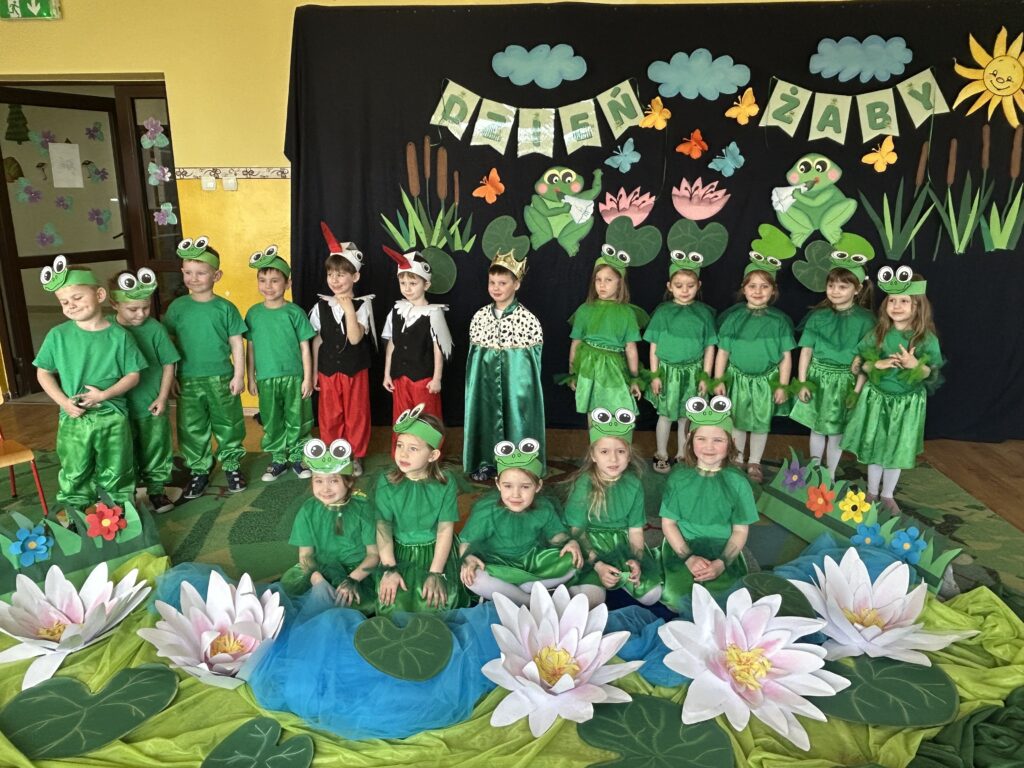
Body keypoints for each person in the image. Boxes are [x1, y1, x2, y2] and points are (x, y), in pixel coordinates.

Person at [34, 258, 145, 517]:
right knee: (75, 468)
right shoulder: (58, 336)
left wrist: (104, 395)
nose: (71, 305)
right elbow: (43, 373)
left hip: (112, 416)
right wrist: (64, 402)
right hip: (74, 416)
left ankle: (118, 513)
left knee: (117, 466)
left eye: (77, 298)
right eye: (64, 302)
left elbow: (133, 375)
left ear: (99, 295)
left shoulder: (120, 336)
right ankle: (76, 515)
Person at [842, 267, 943, 512]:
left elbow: (932, 372)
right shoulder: (878, 333)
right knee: (875, 446)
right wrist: (876, 364)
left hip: (906, 403)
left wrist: (914, 364)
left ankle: (887, 495)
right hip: (876, 399)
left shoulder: (926, 339)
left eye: (904, 301)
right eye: (892, 301)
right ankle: (872, 491)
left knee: (895, 448)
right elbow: (859, 364)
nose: (897, 306)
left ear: (917, 306)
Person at [163, 237, 248, 498]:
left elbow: (236, 343)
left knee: (228, 423)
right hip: (188, 378)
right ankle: (199, 469)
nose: (194, 278)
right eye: (188, 272)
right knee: (192, 427)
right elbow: (169, 345)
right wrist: (172, 376)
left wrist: (239, 375)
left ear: (216, 275)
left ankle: (231, 465)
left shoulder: (225, 308)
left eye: (200, 273)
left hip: (221, 377)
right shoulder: (177, 308)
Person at [463, 216, 545, 483]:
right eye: (492, 283)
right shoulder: (479, 317)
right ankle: (485, 461)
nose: (496, 288)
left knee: (516, 418)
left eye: (503, 283)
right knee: (485, 416)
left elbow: (532, 366)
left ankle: (519, 463)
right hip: (485, 383)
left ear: (516, 284)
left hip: (515, 386)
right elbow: (474, 360)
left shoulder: (528, 320)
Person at [659, 395, 758, 610]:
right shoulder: (678, 478)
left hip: (723, 548)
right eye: (701, 439)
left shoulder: (738, 483)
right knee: (677, 599)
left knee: (728, 602)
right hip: (683, 546)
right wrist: (688, 558)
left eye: (718, 440)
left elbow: (740, 530)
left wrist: (722, 563)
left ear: (731, 442)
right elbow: (669, 524)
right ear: (690, 440)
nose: (709, 447)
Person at [459, 438, 581, 606]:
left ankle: (513, 592)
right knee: (473, 578)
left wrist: (570, 542)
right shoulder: (487, 510)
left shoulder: (543, 507)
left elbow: (555, 536)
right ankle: (528, 600)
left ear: (538, 486)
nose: (516, 494)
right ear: (498, 484)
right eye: (508, 486)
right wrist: (469, 558)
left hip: (531, 560)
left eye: (525, 487)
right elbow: (466, 542)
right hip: (496, 563)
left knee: (573, 561)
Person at [374, 405, 470, 613]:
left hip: (435, 549)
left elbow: (445, 529)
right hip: (397, 550)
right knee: (394, 603)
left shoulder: (446, 483)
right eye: (400, 445)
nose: (403, 454)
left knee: (438, 602)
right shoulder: (386, 481)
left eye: (413, 448)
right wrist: (389, 568)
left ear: (432, 455)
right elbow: (383, 527)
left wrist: (436, 573)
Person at [564, 407, 662, 608]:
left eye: (620, 451)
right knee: (592, 601)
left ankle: (618, 578)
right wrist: (597, 565)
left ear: (629, 455)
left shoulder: (633, 483)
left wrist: (636, 559)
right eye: (604, 452)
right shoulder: (584, 483)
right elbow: (576, 531)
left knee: (652, 595)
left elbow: (635, 530)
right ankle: (592, 580)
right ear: (593, 455)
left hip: (620, 543)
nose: (613, 459)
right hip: (588, 544)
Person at [790, 251, 875, 481]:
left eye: (842, 287)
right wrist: (803, 381)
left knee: (837, 429)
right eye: (831, 285)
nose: (835, 291)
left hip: (845, 380)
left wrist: (857, 391)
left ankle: (829, 473)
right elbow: (806, 350)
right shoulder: (818, 317)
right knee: (817, 426)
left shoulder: (866, 320)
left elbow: (867, 358)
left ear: (857, 289)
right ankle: (815, 468)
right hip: (818, 378)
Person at [713, 248, 796, 483]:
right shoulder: (733, 319)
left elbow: (786, 356)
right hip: (737, 379)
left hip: (765, 382)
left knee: (760, 423)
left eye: (764, 286)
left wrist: (782, 385)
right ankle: (737, 458)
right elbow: (723, 352)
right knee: (737, 421)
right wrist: (718, 380)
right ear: (744, 289)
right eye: (752, 286)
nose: (758, 291)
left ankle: (755, 462)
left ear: (773, 290)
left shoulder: (779, 322)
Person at [563, 221, 661, 416]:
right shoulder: (585, 309)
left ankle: (614, 435)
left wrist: (634, 378)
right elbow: (576, 343)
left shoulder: (626, 313)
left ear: (619, 283)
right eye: (598, 280)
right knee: (592, 409)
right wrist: (572, 372)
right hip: (588, 366)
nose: (602, 285)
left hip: (615, 366)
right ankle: (594, 437)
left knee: (617, 408)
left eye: (608, 280)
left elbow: (630, 349)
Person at [645, 241, 720, 474]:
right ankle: (661, 453)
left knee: (686, 416)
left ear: (698, 285)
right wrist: (655, 374)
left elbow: (710, 347)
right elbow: (654, 345)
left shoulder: (704, 314)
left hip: (693, 372)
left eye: (690, 285)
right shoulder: (662, 312)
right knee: (665, 415)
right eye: (679, 286)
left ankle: (681, 453)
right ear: (670, 286)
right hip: (667, 372)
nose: (684, 290)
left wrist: (705, 376)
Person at [109, 268, 180, 514]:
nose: (141, 314)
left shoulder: (155, 329)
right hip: (118, 406)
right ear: (114, 304)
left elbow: (169, 363)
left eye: (146, 308)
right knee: (121, 452)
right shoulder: (106, 329)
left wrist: (163, 396)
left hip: (150, 402)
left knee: (155, 448)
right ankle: (124, 497)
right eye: (133, 309)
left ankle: (157, 491)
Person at [280, 438, 378, 612]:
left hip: (358, 572)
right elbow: (305, 555)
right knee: (298, 595)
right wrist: (316, 577)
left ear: (349, 481)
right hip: (321, 568)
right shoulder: (308, 510)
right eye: (318, 481)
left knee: (355, 603)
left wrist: (353, 579)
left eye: (333, 481)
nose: (325, 488)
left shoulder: (364, 509)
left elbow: (374, 555)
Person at [244, 246, 316, 481]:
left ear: (287, 283)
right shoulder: (253, 314)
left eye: (274, 281)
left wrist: (307, 378)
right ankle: (278, 459)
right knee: (272, 419)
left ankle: (298, 456)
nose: (268, 286)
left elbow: (305, 347)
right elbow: (250, 348)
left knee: (297, 418)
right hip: (266, 378)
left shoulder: (295, 313)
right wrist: (250, 377)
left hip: (294, 376)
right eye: (263, 280)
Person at [310, 223, 374, 476]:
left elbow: (355, 338)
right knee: (330, 415)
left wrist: (348, 309)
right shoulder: (320, 306)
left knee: (356, 414)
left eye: (341, 274)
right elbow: (317, 341)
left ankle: (356, 455)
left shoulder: (362, 306)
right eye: (330, 274)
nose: (334, 280)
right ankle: (334, 452)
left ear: (354, 277)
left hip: (354, 370)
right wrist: (314, 372)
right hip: (328, 370)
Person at [380, 247, 456, 454]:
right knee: (402, 417)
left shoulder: (433, 313)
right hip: (400, 377)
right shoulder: (396, 310)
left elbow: (438, 348)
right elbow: (392, 343)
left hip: (423, 379)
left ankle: (429, 457)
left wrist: (437, 378)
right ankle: (403, 456)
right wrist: (387, 373)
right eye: (403, 283)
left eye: (413, 283)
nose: (407, 288)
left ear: (426, 284)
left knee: (427, 418)